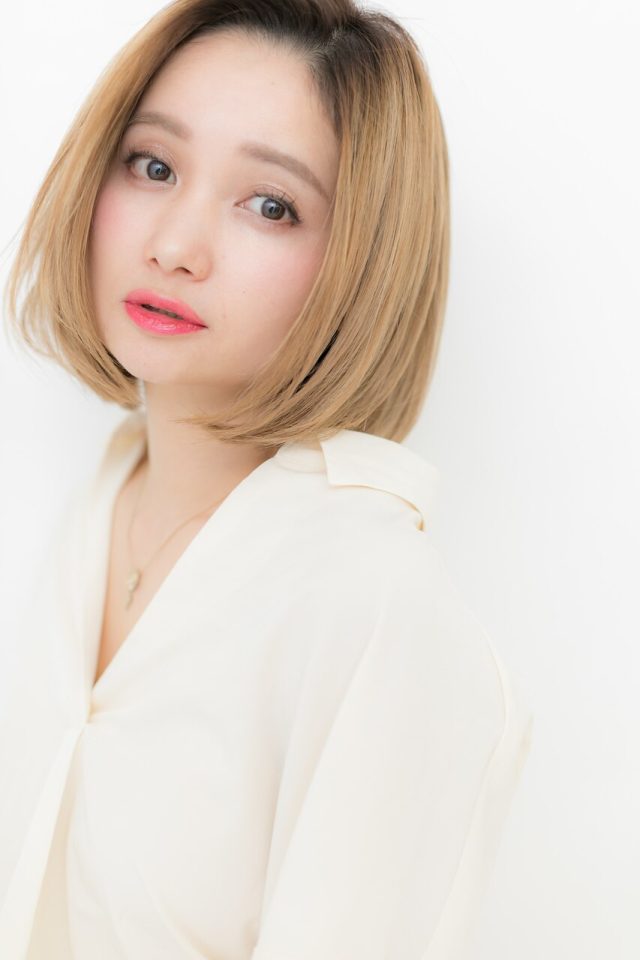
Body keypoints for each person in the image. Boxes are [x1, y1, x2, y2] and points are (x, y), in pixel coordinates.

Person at [0, 0, 534, 957]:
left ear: (361, 264)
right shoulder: (97, 505)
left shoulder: (376, 611)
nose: (175, 245)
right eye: (153, 165)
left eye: (271, 205)